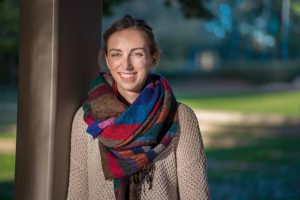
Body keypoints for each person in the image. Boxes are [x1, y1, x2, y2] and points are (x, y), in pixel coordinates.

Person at [67, 15, 209, 200]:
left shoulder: (181, 117)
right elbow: (77, 195)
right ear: (107, 60)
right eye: (116, 54)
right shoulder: (86, 119)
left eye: (137, 54)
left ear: (153, 58)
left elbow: (196, 196)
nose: (126, 65)